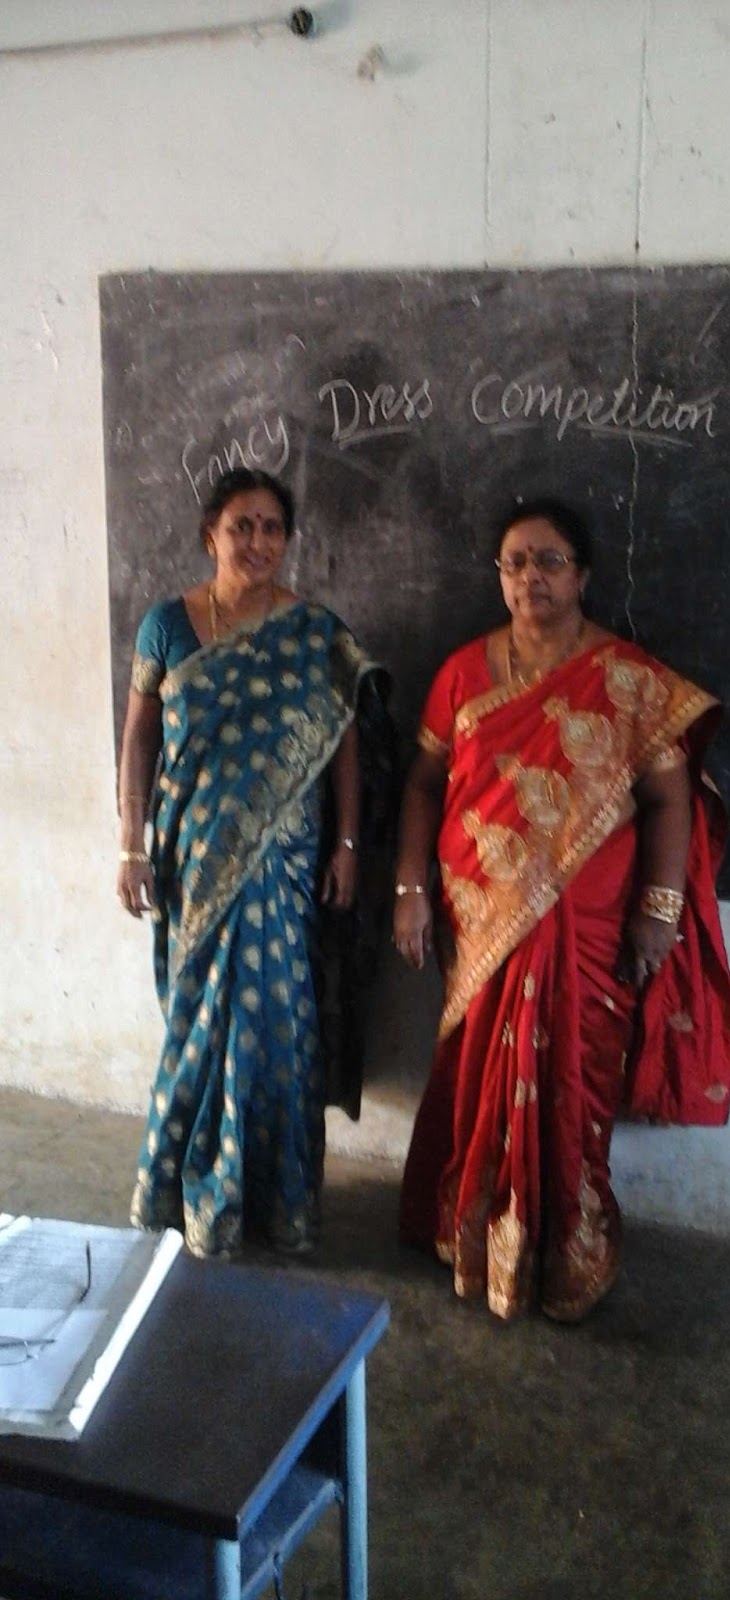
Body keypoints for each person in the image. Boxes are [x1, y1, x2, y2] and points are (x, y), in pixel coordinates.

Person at [393, 497, 730, 1322]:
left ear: (582, 575)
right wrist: (409, 890)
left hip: (591, 928)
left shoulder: (628, 680)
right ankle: (478, 1239)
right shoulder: (462, 673)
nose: (530, 577)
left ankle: (568, 1253)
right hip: (482, 919)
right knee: (478, 1077)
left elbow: (671, 796)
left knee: (576, 1085)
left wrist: (660, 909)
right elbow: (423, 785)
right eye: (515, 562)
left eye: (549, 561)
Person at [117, 467, 386, 1259]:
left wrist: (346, 844)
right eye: (243, 526)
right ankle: (190, 1190)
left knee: (279, 1025)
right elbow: (139, 740)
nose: (258, 541)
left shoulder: (315, 633)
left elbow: (345, 745)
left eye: (272, 527)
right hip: (193, 855)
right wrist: (131, 844)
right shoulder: (166, 625)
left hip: (285, 860)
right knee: (197, 1022)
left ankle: (277, 1200)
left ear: (288, 538)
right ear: (212, 535)